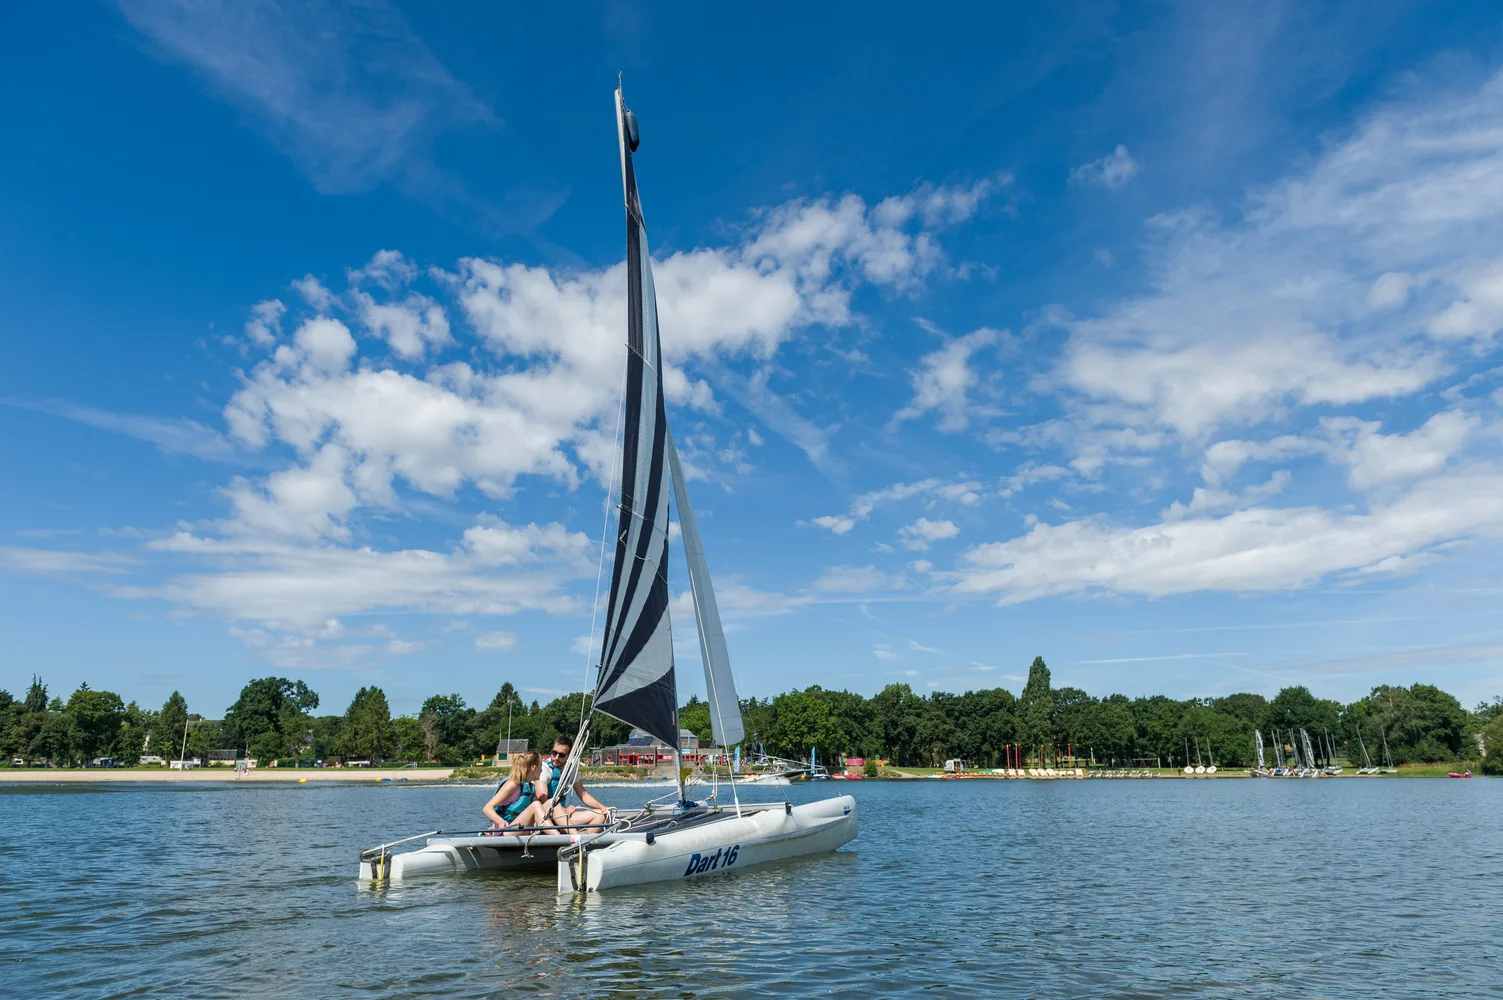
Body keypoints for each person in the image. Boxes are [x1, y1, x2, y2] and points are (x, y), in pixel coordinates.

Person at [539, 735, 612, 831]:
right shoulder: (545, 768)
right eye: (554, 753)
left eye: (561, 755)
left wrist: (603, 807)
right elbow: (540, 797)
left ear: (568, 756)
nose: (556, 758)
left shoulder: (570, 770)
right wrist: (563, 811)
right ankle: (574, 838)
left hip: (561, 815)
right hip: (545, 815)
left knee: (600, 815)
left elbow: (583, 794)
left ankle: (586, 842)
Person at [482, 751, 549, 835]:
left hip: (521, 827)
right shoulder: (513, 784)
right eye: (541, 766)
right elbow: (487, 808)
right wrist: (501, 822)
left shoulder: (530, 786)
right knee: (536, 805)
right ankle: (557, 838)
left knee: (551, 803)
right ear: (534, 768)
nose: (542, 770)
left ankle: (568, 835)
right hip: (506, 831)